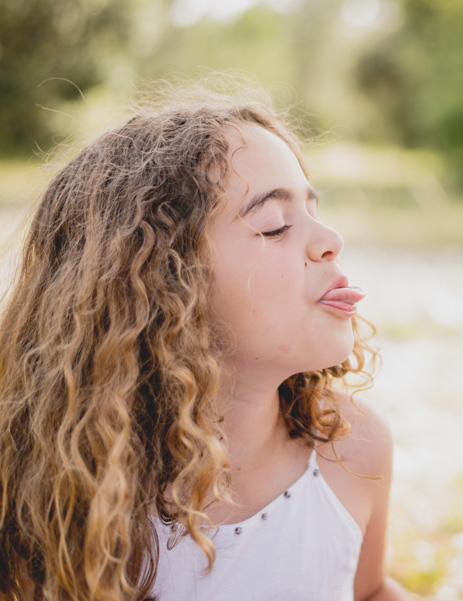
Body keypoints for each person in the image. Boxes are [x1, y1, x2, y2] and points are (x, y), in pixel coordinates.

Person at [0, 78, 408, 600]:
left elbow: (368, 592)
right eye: (276, 224)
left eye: (313, 210)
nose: (331, 240)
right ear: (158, 284)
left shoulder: (351, 447)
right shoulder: (67, 494)